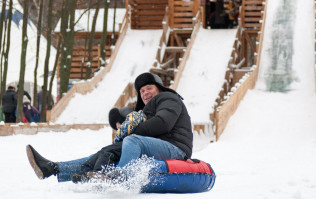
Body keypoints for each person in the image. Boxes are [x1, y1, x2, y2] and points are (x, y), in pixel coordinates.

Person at [26, 72, 193, 183]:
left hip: (175, 147)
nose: (145, 93)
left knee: (132, 141)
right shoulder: (145, 111)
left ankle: (118, 178)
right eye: (142, 91)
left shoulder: (168, 98)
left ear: (159, 89)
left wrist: (132, 132)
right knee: (106, 152)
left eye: (149, 88)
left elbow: (163, 123)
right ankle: (53, 168)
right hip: (155, 144)